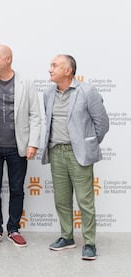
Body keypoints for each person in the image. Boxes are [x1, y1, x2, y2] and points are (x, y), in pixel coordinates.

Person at [42, 54, 109, 260]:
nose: (50, 69)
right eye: (50, 65)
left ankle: (89, 242)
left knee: (84, 200)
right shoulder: (48, 93)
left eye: (54, 66)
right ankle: (66, 237)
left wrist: (86, 144)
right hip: (56, 152)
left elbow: (102, 123)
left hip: (77, 153)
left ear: (68, 70)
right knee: (61, 199)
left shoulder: (87, 91)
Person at [0, 45, 42, 247]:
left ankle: (13, 229)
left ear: (8, 59)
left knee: (17, 189)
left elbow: (35, 116)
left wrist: (33, 143)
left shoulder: (27, 83)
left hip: (18, 147)